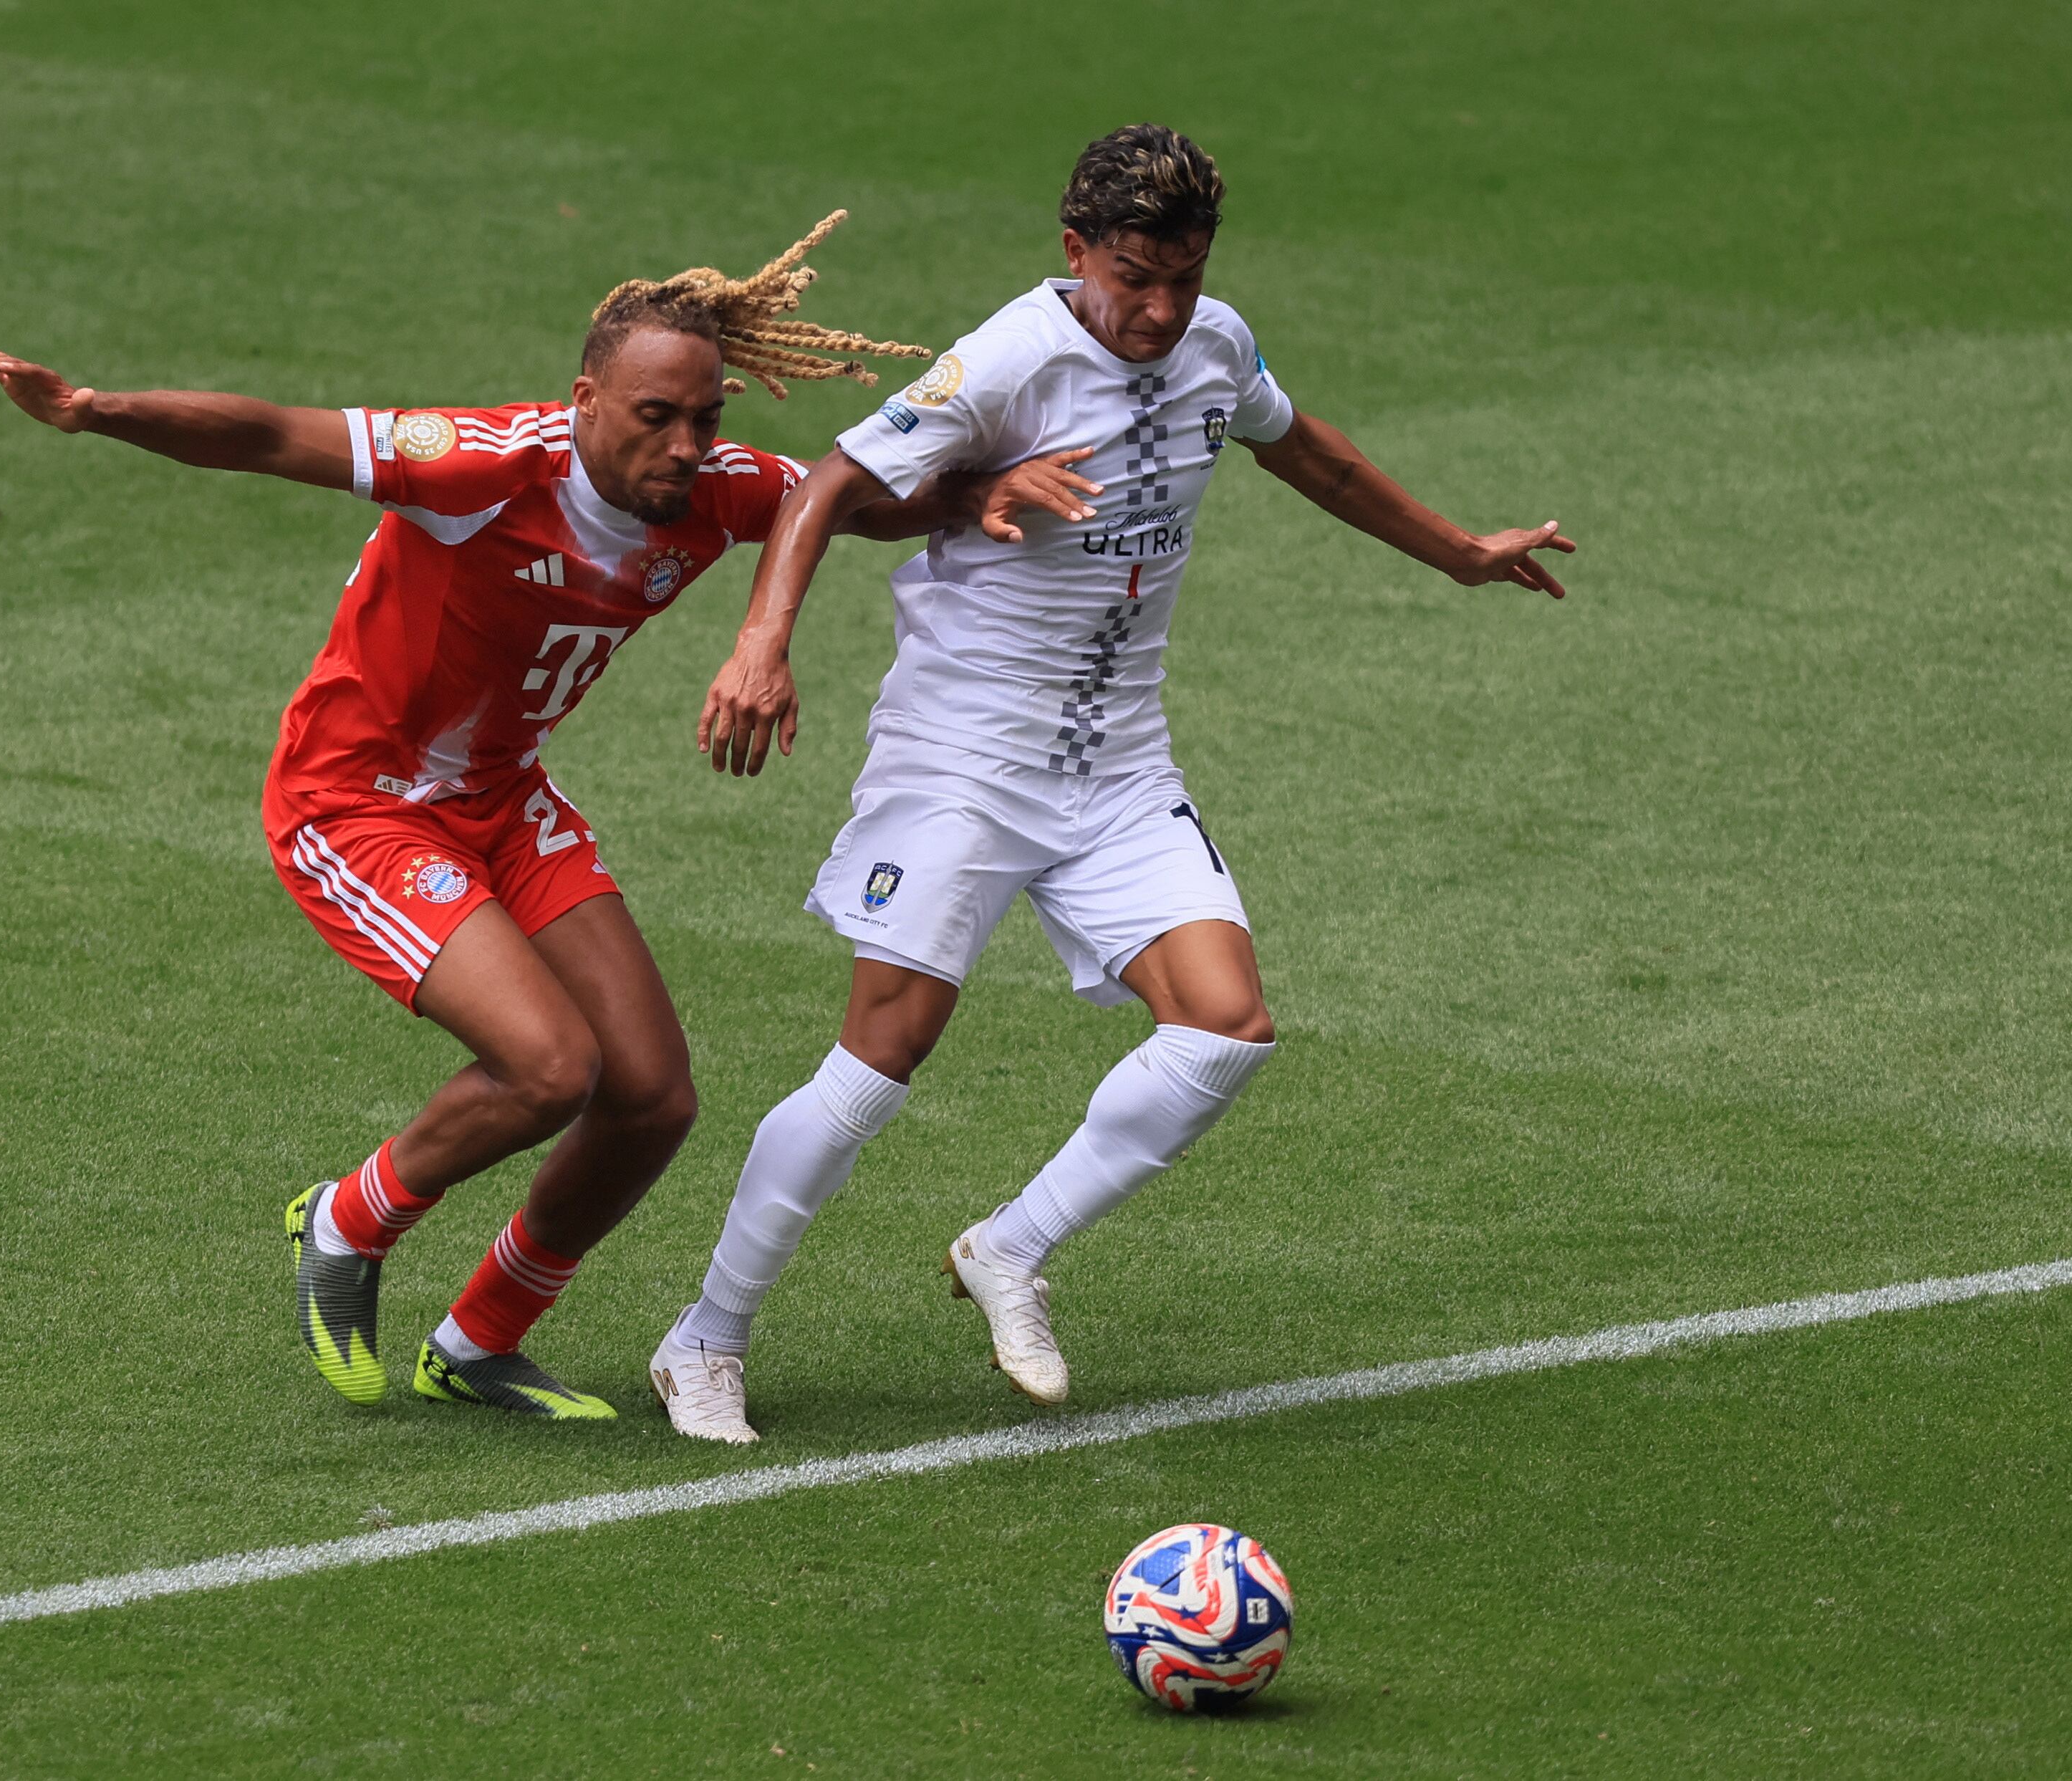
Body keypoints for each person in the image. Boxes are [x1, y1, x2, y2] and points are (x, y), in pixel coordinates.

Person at [0, 216, 1071, 1420]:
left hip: (501, 800)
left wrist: (973, 491)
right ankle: (346, 1218)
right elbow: (277, 433)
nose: (688, 446)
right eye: (656, 417)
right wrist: (90, 409)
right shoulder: (479, 465)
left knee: (652, 1096)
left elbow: (849, 502)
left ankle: (480, 1338)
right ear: (586, 400)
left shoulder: (715, 487)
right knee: (550, 1064)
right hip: (357, 803)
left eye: (706, 418)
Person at [653, 127, 1576, 1444]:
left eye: (1183, 279)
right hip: (965, 759)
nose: (1156, 310)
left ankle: (1008, 1249)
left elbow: (1304, 449)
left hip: (1118, 761)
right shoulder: (1012, 359)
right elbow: (831, 489)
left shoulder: (1214, 343)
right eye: (1134, 276)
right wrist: (763, 641)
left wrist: (1459, 553)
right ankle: (707, 1336)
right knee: (882, 1054)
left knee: (1222, 1025)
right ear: (1075, 250)